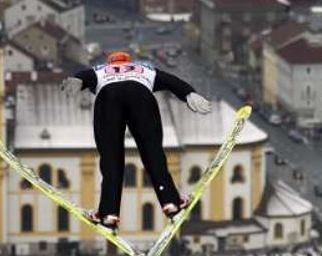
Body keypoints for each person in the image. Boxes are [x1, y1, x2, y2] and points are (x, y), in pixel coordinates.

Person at [61, 51, 211, 231]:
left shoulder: (101, 69)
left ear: (111, 62)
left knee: (111, 160)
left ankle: (108, 214)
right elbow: (171, 81)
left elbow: (85, 76)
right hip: (141, 97)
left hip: (108, 99)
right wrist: (189, 93)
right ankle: (171, 203)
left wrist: (78, 80)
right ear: (128, 61)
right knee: (152, 153)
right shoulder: (144, 68)